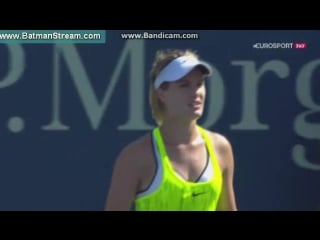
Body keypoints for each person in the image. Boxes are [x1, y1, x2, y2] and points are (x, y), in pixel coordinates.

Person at [105, 49, 237, 211]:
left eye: (199, 84)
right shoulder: (135, 158)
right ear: (162, 94)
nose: (196, 92)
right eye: (184, 85)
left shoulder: (221, 148)